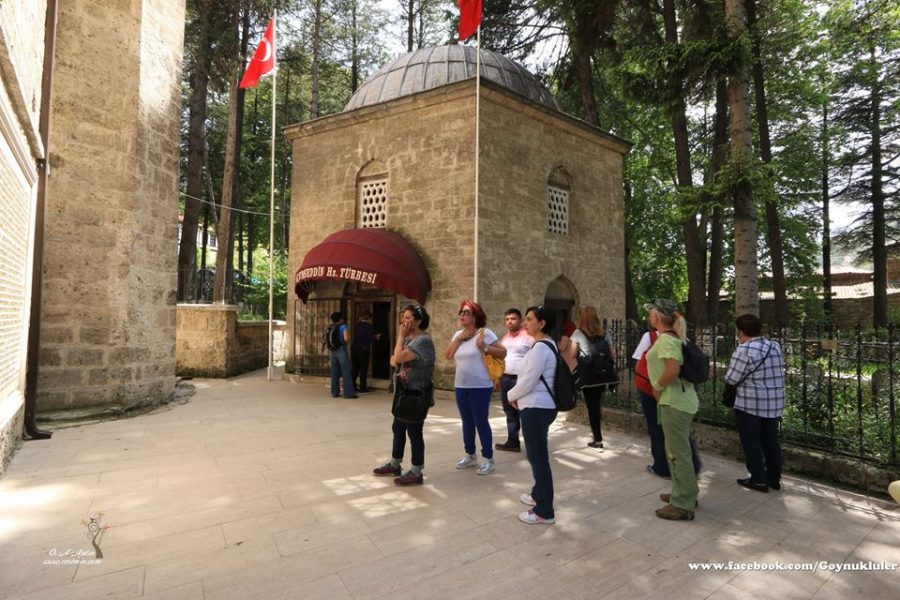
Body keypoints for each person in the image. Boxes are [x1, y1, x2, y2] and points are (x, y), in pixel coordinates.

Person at [644, 299, 698, 520]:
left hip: (675, 402)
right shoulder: (673, 337)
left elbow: (673, 370)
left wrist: (656, 386)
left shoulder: (666, 339)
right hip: (677, 400)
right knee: (677, 451)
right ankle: (683, 492)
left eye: (651, 313)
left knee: (678, 454)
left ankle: (683, 504)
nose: (649, 316)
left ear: (657, 316)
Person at [373, 305, 436, 486]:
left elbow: (398, 358)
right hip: (404, 391)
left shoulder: (423, 341)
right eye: (404, 317)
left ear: (419, 321)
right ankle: (395, 464)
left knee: (414, 432)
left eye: (408, 318)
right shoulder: (410, 339)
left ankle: (416, 471)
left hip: (416, 393)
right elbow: (394, 360)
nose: (404, 321)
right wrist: (400, 347)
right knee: (398, 428)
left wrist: (400, 337)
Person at [508, 305, 559, 525]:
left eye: (529, 319)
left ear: (542, 323)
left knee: (538, 459)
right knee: (535, 456)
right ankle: (538, 495)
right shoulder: (543, 345)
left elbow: (528, 381)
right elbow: (524, 371)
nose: (525, 322)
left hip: (536, 408)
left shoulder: (540, 348)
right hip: (538, 407)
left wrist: (511, 395)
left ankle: (544, 511)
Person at [444, 300, 507, 475]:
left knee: (481, 421)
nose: (462, 315)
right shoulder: (458, 335)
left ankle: (488, 458)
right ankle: (470, 455)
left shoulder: (484, 333)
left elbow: (503, 352)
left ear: (475, 316)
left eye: (467, 312)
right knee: (467, 421)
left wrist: (485, 347)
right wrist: (459, 339)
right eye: (461, 312)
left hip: (480, 386)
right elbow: (448, 355)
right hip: (461, 385)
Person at [725, 313, 786, 493]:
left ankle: (758, 479)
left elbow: (732, 378)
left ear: (741, 331)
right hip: (774, 402)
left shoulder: (744, 350)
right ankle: (774, 478)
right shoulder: (774, 346)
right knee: (771, 440)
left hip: (750, 403)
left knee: (751, 441)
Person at [634, 327, 702, 479]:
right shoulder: (682, 338)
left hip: (654, 389)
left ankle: (662, 467)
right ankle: (693, 467)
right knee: (681, 433)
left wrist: (657, 385)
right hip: (679, 392)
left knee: (657, 429)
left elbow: (639, 364)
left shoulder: (651, 337)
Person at [570, 306, 615, 449]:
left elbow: (572, 354)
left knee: (592, 406)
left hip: (588, 375)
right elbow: (613, 354)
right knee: (597, 404)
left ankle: (597, 439)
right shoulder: (604, 334)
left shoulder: (578, 333)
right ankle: (598, 434)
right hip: (602, 374)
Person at [495, 308, 533, 452]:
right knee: (509, 412)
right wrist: (498, 377)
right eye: (507, 319)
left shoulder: (528, 337)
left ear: (520, 320)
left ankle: (532, 444)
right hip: (506, 379)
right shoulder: (505, 338)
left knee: (524, 412)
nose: (509, 322)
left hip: (521, 380)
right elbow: (501, 358)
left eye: (513, 319)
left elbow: (534, 359)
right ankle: (513, 442)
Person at [328, 312, 357, 399]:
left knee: (334, 372)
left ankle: (335, 392)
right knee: (346, 371)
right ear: (341, 319)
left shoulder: (331, 327)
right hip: (341, 350)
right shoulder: (343, 326)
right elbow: (346, 338)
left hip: (332, 350)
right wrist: (348, 340)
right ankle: (349, 393)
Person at [352, 311, 376, 393]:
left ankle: (352, 386)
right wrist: (376, 337)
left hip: (355, 349)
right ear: (368, 318)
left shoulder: (357, 325)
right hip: (363, 349)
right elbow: (371, 337)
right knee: (363, 369)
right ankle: (363, 388)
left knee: (355, 368)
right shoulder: (368, 326)